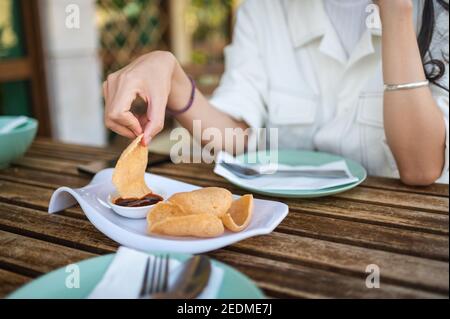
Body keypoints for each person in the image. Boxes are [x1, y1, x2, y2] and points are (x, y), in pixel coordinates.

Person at [103, 0, 449, 185]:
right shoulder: (263, 9)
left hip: (400, 237)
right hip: (279, 232)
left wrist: (397, 12)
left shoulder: (436, 15)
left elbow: (421, 169)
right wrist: (176, 82)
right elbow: (237, 140)